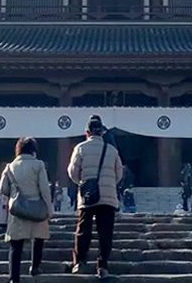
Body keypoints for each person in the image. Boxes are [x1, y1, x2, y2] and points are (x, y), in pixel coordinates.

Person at [68, 116, 122, 278]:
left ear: (87, 132)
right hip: (108, 198)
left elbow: (72, 172)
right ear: (102, 133)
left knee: (83, 229)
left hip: (87, 197)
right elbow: (119, 174)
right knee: (105, 232)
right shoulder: (112, 150)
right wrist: (109, 184)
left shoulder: (80, 148)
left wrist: (83, 184)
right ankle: (103, 265)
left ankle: (80, 261)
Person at [0, 137, 51, 283]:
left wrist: (13, 194)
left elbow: (3, 188)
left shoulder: (10, 166)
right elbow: (44, 189)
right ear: (33, 150)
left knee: (15, 244)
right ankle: (35, 267)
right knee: (38, 237)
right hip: (36, 207)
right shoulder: (38, 165)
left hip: (18, 209)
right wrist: (49, 207)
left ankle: (14, 277)